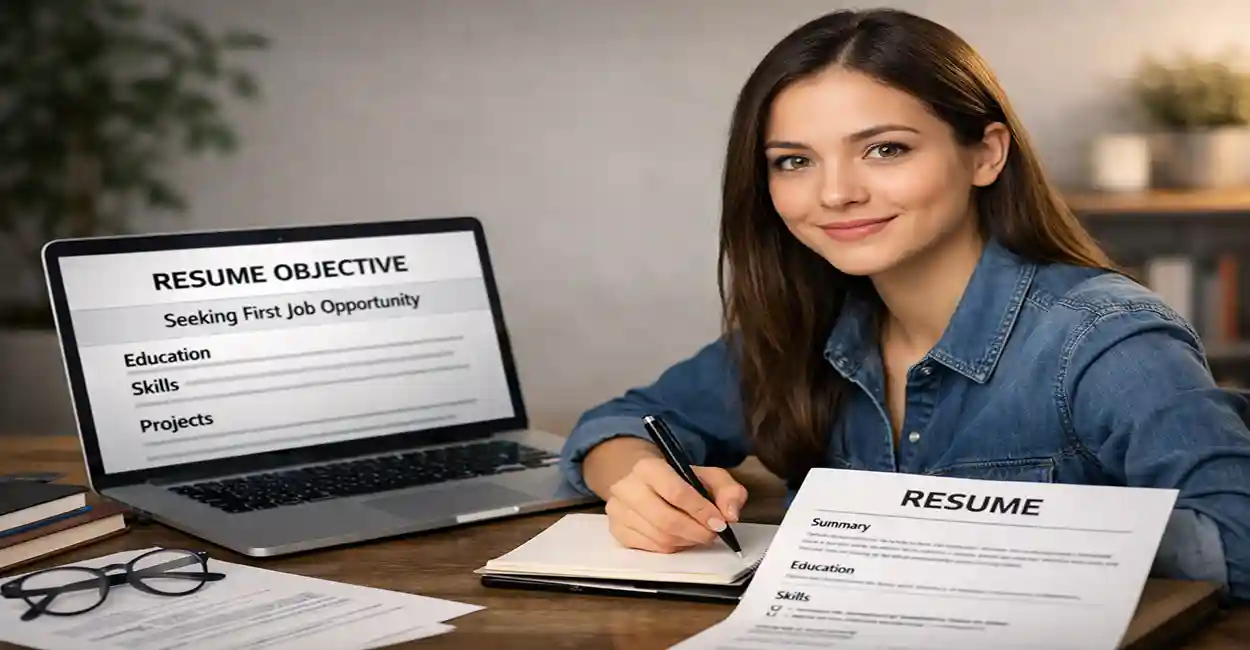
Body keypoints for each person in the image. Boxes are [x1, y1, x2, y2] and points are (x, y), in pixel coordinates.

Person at [556, 8, 1250, 601]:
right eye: (794, 161)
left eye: (884, 150)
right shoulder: (805, 325)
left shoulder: (1104, 339)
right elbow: (615, 424)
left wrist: (958, 536)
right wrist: (639, 483)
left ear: (986, 155)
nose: (836, 194)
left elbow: (1237, 542)